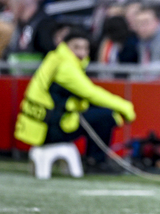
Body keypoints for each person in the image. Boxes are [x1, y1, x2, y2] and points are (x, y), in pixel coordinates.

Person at [14, 27, 136, 172]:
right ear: (65, 46)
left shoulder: (54, 58)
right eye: (76, 47)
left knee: (98, 113)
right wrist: (125, 107)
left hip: (39, 126)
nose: (82, 53)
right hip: (49, 129)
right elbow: (90, 93)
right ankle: (96, 163)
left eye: (85, 48)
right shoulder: (66, 66)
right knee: (107, 115)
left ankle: (94, 160)